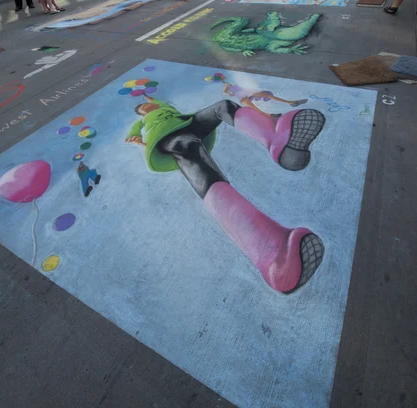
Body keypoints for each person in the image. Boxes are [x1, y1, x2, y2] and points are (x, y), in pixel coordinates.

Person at [125, 94, 325, 293]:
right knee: (187, 147)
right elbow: (134, 134)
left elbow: (158, 102)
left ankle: (276, 140)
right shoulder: (144, 122)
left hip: (188, 124)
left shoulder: (161, 107)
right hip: (166, 139)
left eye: (146, 105)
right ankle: (271, 253)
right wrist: (139, 143)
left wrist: (149, 98)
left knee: (223, 106)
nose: (146, 107)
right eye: (142, 108)